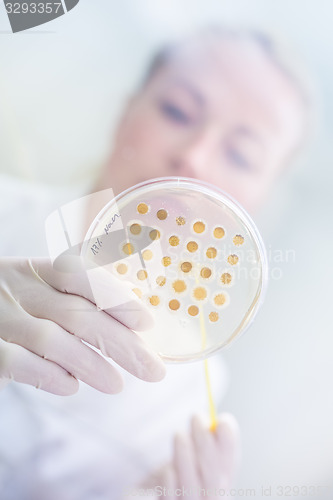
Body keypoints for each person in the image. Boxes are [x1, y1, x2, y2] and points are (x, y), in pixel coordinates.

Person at [0, 27, 308, 499]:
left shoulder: (188, 396)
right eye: (177, 111)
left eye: (242, 156)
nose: (194, 158)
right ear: (125, 113)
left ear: (259, 200)